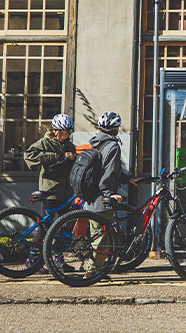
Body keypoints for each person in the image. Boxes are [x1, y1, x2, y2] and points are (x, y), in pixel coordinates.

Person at [82, 111, 139, 279]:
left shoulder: (96, 143)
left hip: (91, 196)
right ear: (116, 129)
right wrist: (110, 194)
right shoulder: (113, 146)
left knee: (97, 234)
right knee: (103, 238)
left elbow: (103, 171)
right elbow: (109, 173)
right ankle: (91, 272)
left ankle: (99, 269)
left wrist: (128, 180)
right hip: (102, 198)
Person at [23, 113, 77, 271]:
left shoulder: (70, 146)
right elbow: (29, 156)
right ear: (54, 130)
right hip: (50, 191)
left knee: (63, 226)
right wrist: (57, 156)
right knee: (45, 225)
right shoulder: (45, 143)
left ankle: (58, 259)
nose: (63, 136)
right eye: (61, 132)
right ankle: (33, 259)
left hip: (66, 192)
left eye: (67, 133)